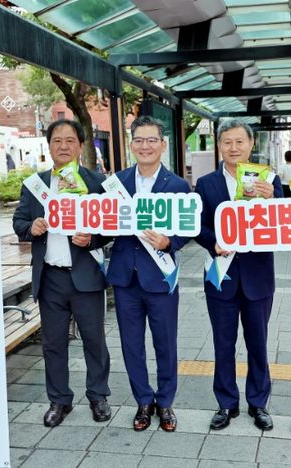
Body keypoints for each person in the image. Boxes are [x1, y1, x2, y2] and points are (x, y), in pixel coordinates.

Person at [12, 119, 111, 428]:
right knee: (53, 343)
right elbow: (18, 222)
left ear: (80, 145)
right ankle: (59, 400)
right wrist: (32, 227)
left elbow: (111, 227)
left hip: (86, 275)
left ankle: (98, 396)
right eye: (57, 141)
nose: (63, 146)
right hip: (50, 277)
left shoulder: (97, 183)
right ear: (49, 146)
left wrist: (92, 238)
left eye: (70, 140)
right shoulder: (35, 185)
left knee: (94, 340)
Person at [195, 119, 283, 431]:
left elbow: (285, 222)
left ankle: (258, 403)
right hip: (222, 276)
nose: (233, 148)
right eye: (227, 142)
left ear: (251, 144)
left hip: (258, 276)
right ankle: (226, 403)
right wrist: (213, 242)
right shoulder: (206, 184)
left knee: (258, 343)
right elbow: (197, 225)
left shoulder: (269, 179)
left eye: (239, 142)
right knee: (223, 344)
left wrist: (273, 199)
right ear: (219, 146)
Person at [106, 116, 191, 433]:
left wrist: (170, 242)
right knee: (131, 345)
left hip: (161, 278)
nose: (145, 146)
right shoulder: (116, 184)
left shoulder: (178, 185)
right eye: (139, 140)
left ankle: (165, 402)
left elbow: (189, 228)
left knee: (165, 343)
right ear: (131, 145)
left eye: (152, 140)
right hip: (125, 278)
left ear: (163, 144)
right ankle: (143, 401)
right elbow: (105, 225)